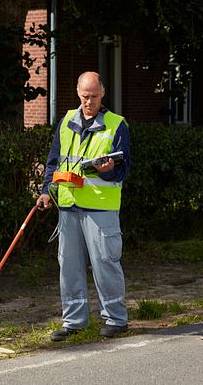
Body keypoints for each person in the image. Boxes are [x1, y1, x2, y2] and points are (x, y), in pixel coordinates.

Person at [36, 71, 131, 341]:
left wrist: (107, 171)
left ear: (103, 95)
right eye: (85, 96)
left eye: (95, 97)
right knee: (69, 267)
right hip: (68, 206)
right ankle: (74, 321)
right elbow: (53, 162)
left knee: (105, 264)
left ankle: (116, 319)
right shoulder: (67, 121)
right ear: (78, 93)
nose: (90, 102)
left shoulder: (116, 124)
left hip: (101, 209)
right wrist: (45, 192)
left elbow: (124, 170)